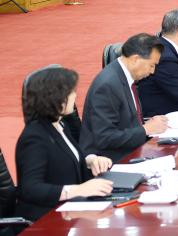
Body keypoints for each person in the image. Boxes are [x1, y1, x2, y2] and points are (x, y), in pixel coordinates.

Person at [16, 67, 114, 221]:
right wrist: (77, 190)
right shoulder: (34, 137)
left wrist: (91, 160)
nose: (75, 95)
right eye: (71, 92)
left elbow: (65, 160)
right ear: (54, 97)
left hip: (70, 211)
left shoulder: (60, 125)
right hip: (45, 221)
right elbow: (30, 188)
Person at [80, 33, 168, 162]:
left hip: (131, 149)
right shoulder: (108, 85)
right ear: (135, 59)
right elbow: (104, 138)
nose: (152, 71)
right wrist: (145, 129)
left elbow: (127, 121)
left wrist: (149, 124)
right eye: (151, 65)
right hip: (109, 161)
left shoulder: (125, 76)